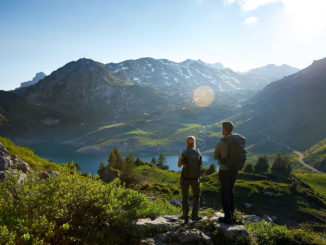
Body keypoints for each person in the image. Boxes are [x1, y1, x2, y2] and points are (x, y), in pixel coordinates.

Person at [214, 121, 246, 224]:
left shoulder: (222, 142)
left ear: (225, 129)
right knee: (231, 191)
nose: (221, 130)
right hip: (234, 170)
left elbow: (215, 156)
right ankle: (232, 214)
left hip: (224, 171)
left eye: (222, 128)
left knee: (224, 193)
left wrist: (221, 156)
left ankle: (227, 217)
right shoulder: (237, 141)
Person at [178, 136, 203, 224]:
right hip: (195, 178)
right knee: (196, 196)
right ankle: (195, 216)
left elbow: (179, 165)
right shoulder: (198, 152)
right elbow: (200, 166)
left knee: (185, 196)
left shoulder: (183, 152)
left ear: (186, 143)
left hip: (184, 178)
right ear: (194, 143)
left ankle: (185, 216)